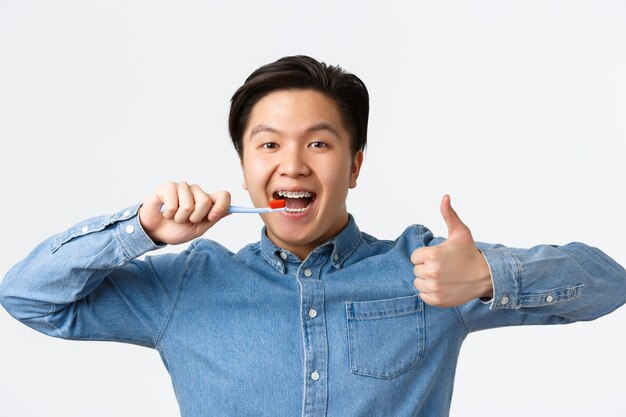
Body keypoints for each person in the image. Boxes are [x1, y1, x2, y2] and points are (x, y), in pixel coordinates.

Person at [1, 55, 625, 417]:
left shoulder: (428, 269)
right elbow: (28, 297)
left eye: (319, 143)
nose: (293, 164)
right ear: (245, 167)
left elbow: (609, 284)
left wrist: (491, 275)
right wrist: (137, 231)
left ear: (354, 165)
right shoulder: (186, 285)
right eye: (268, 144)